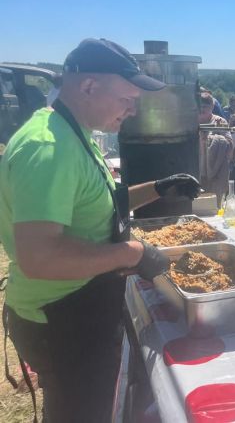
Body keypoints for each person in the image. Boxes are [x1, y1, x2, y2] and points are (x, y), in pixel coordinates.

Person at [0, 38, 200, 422]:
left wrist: (158, 188)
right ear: (89, 86)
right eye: (127, 98)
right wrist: (133, 253)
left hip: (78, 305)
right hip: (61, 316)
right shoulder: (49, 147)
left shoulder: (74, 133)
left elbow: (98, 202)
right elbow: (40, 257)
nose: (133, 109)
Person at [199, 93, 232, 207]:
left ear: (212, 107)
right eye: (200, 106)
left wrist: (210, 139)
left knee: (215, 206)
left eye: (206, 107)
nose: (202, 109)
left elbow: (229, 143)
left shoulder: (219, 121)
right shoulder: (191, 120)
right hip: (197, 172)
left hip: (217, 173)